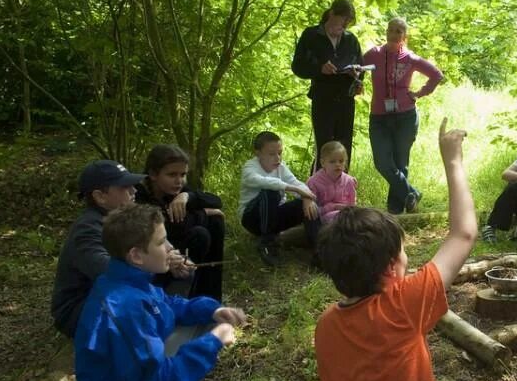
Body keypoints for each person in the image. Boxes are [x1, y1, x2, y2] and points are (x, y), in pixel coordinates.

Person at [314, 118, 517, 381]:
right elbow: (464, 234)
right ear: (391, 270)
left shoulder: (327, 323)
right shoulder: (403, 304)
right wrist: (453, 159)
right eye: (403, 252)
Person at [74, 204, 255, 381]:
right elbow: (155, 378)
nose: (170, 248)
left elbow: (169, 306)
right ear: (136, 255)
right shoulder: (125, 306)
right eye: (161, 242)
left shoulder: (130, 279)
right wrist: (214, 341)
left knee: (207, 319)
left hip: (138, 377)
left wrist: (212, 311)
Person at [52, 160, 189, 337]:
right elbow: (107, 271)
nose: (134, 191)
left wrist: (174, 258)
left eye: (133, 185)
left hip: (112, 294)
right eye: (125, 187)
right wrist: (163, 261)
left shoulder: (127, 218)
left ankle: (165, 324)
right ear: (100, 196)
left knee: (182, 274)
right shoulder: (87, 229)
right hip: (82, 307)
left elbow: (165, 246)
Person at [362, 17, 444, 214]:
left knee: (400, 163)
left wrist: (418, 93)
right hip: (379, 117)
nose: (393, 34)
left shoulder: (410, 58)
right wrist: (357, 82)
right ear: (386, 32)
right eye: (391, 29)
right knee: (382, 162)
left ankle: (395, 212)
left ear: (404, 37)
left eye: (399, 31)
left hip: (405, 116)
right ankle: (411, 193)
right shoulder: (374, 54)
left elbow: (436, 75)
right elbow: (357, 68)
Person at [136, 144, 225, 301]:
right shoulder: (140, 195)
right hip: (154, 255)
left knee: (215, 221)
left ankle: (211, 298)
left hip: (176, 243)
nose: (179, 181)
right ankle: (179, 295)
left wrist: (187, 197)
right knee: (200, 234)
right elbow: (173, 226)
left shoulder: (176, 190)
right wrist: (203, 212)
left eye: (183, 175)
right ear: (153, 174)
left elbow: (216, 201)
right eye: (172, 175)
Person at [291, 0, 363, 172]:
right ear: (332, 14)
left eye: (348, 22)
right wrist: (319, 69)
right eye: (343, 20)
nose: (345, 25)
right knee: (325, 145)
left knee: (343, 146)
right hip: (323, 98)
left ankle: (342, 191)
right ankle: (318, 192)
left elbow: (360, 66)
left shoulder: (350, 39)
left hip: (346, 99)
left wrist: (357, 76)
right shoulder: (312, 35)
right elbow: (298, 66)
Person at [239, 131, 321, 267]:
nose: (277, 158)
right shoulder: (250, 167)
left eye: (280, 153)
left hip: (274, 218)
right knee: (270, 192)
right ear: (258, 153)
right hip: (252, 219)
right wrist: (293, 189)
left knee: (307, 204)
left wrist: (306, 197)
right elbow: (262, 181)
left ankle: (319, 250)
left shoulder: (281, 168)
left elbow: (297, 183)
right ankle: (267, 244)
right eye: (272, 154)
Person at [307, 141, 357, 225]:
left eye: (341, 161)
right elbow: (312, 209)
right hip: (324, 218)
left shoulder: (349, 181)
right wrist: (331, 207)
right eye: (332, 162)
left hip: (347, 216)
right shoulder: (314, 182)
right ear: (323, 163)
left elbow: (353, 205)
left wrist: (347, 209)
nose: (337, 164)